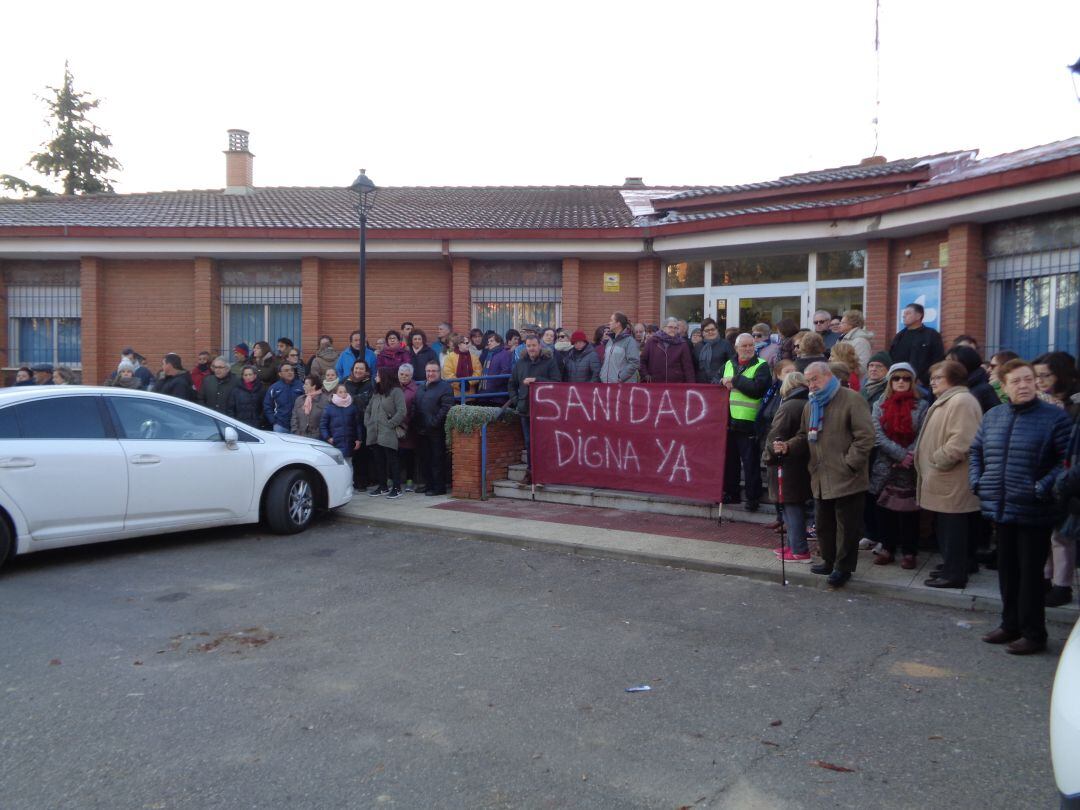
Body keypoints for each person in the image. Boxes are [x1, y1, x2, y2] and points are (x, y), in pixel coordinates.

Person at [970, 358, 1071, 654]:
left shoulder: (1055, 417)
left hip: (1034, 508)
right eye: (1016, 381)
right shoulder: (994, 416)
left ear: (1036, 382)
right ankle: (1010, 624)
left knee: (1030, 574)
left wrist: (1042, 487)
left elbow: (1066, 462)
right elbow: (976, 450)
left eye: (1028, 379)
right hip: (1000, 505)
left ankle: (1034, 633)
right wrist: (978, 480)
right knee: (1007, 570)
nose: (1024, 385)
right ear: (1004, 386)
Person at [774, 362, 875, 588]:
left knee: (846, 526)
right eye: (808, 381)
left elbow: (865, 437)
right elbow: (803, 435)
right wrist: (788, 446)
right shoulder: (812, 404)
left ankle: (843, 567)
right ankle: (829, 561)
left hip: (847, 475)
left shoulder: (851, 399)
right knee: (823, 523)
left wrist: (849, 463)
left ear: (828, 376)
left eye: (815, 379)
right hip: (820, 474)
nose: (811, 384)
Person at [914, 360, 984, 588]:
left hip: (952, 478)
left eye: (938, 377)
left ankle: (955, 574)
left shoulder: (961, 401)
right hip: (944, 478)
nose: (932, 382)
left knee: (953, 529)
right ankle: (954, 565)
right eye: (932, 377)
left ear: (954, 378)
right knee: (946, 527)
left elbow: (963, 440)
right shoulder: (949, 399)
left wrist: (938, 460)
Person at [869, 363, 929, 569]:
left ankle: (909, 552)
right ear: (890, 381)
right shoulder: (879, 403)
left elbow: (923, 434)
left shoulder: (922, 406)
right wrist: (899, 455)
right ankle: (887, 548)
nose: (901, 382)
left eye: (905, 378)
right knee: (885, 509)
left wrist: (908, 456)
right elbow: (876, 433)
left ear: (912, 381)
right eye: (896, 378)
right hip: (885, 465)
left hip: (910, 467)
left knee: (908, 511)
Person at [1033, 351, 1080, 607]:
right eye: (1036, 376)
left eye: (1045, 375)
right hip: (1043, 477)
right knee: (1046, 534)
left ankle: (1062, 586)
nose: (1039, 381)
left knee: (1062, 536)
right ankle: (1045, 579)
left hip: (1066, 480)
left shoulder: (1074, 406)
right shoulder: (1043, 403)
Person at [762, 371, 812, 562]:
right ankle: (793, 545)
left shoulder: (789, 406)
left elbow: (776, 433)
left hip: (785, 461)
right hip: (800, 461)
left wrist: (768, 456)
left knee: (791, 506)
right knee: (793, 505)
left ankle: (799, 548)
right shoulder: (807, 403)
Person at [721, 334, 772, 511]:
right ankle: (731, 493)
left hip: (749, 421)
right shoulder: (729, 364)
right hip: (728, 421)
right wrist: (721, 381)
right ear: (736, 348)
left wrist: (734, 380)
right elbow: (715, 382)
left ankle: (753, 498)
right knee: (730, 462)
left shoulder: (762, 366)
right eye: (744, 346)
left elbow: (756, 389)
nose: (748, 348)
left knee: (750, 464)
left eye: (751, 345)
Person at [508, 335, 561, 483]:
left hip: (545, 410)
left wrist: (536, 381)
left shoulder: (549, 362)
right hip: (525, 409)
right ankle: (531, 472)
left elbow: (557, 382)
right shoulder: (520, 363)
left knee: (544, 442)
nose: (531, 348)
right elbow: (511, 384)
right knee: (529, 442)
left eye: (534, 345)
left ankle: (545, 472)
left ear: (539, 346)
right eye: (529, 346)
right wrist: (516, 401)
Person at [365, 371, 407, 498]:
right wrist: (368, 423)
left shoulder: (396, 391)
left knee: (392, 460)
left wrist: (390, 424)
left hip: (388, 432)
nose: (376, 377)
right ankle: (382, 486)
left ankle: (397, 487)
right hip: (374, 432)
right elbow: (368, 410)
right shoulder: (377, 392)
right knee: (379, 460)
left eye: (378, 375)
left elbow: (402, 411)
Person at [415, 361, 454, 496]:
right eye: (428, 371)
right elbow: (416, 405)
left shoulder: (445, 387)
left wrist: (433, 423)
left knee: (437, 459)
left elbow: (446, 408)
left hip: (436, 430)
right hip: (421, 430)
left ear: (439, 372)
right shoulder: (421, 387)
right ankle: (428, 484)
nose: (430, 374)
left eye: (434, 371)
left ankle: (439, 487)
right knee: (425, 459)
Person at [888, 302, 945, 388]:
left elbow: (938, 360)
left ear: (919, 316)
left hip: (923, 385)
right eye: (903, 314)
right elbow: (891, 358)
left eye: (908, 313)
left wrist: (923, 379)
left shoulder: (931, 335)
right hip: (900, 382)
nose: (904, 316)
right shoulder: (899, 336)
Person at [946, 345, 1001, 413]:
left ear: (965, 362)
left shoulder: (983, 390)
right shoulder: (958, 385)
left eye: (951, 362)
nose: (946, 366)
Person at [640, 317, 695, 383]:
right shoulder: (652, 341)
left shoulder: (682, 344)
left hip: (676, 384)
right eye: (670, 327)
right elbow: (642, 361)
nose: (673, 329)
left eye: (676, 328)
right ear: (663, 328)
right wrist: (645, 375)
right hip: (655, 383)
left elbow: (688, 367)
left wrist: (691, 385)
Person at [320, 383, 362, 467]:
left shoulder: (352, 407)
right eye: (340, 392)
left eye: (345, 392)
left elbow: (358, 425)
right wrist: (328, 438)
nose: (343, 394)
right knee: (337, 466)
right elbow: (323, 425)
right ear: (335, 393)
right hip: (335, 443)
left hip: (350, 442)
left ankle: (349, 480)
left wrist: (359, 439)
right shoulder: (329, 408)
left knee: (349, 464)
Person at [397, 364, 420, 491]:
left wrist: (407, 422)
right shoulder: (393, 387)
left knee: (408, 454)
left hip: (409, 427)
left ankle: (409, 480)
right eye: (402, 374)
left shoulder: (415, 389)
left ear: (411, 376)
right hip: (394, 427)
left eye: (406, 375)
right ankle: (392, 478)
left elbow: (415, 408)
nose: (404, 377)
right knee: (395, 454)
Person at [263, 363, 304, 434]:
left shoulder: (301, 386)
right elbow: (267, 405)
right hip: (280, 425)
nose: (290, 372)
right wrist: (273, 420)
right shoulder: (274, 388)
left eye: (291, 370)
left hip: (298, 425)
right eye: (286, 370)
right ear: (280, 374)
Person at [599, 312, 640, 383]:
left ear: (618, 323)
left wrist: (621, 378)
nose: (609, 323)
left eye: (611, 320)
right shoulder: (610, 341)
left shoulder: (629, 341)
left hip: (622, 387)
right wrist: (602, 374)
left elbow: (634, 362)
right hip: (607, 384)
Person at [693, 318, 734, 384]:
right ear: (702, 333)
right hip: (701, 384)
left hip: (720, 383)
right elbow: (694, 366)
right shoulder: (698, 346)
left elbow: (732, 364)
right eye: (707, 330)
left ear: (717, 330)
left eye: (713, 329)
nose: (710, 332)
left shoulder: (725, 344)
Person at [479, 332, 514, 404]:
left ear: (498, 343)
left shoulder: (504, 354)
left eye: (492, 341)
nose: (489, 343)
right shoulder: (489, 354)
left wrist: (495, 383)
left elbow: (506, 371)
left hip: (497, 393)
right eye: (488, 341)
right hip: (486, 392)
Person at [442, 333, 480, 398]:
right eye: (466, 343)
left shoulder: (474, 357)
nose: (468, 345)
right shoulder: (450, 357)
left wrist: (469, 382)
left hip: (471, 395)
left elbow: (478, 372)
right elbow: (448, 374)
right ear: (459, 344)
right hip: (454, 395)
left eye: (468, 343)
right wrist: (459, 384)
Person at [291, 374, 328, 439]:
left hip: (317, 438)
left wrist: (317, 435)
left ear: (314, 386)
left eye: (306, 384)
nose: (303, 386)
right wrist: (296, 432)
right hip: (299, 437)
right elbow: (294, 418)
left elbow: (325, 421)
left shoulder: (325, 400)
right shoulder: (299, 399)